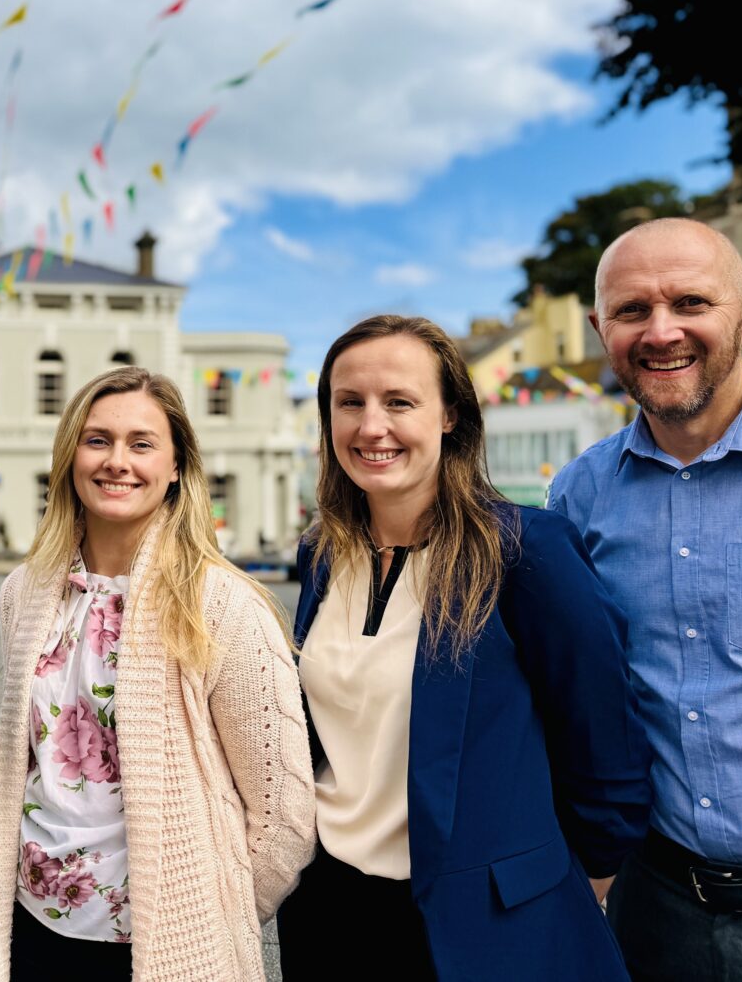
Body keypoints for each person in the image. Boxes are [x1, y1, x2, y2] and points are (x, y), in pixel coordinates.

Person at [277, 315, 651, 980]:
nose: (371, 426)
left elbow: (603, 739)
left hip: (491, 923)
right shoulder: (322, 553)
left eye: (399, 402)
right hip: (331, 906)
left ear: (450, 414)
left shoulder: (526, 551)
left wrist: (588, 878)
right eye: (349, 402)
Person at [548, 218, 742, 981]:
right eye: (632, 311)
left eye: (691, 301)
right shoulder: (580, 493)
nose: (661, 331)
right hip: (651, 913)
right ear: (602, 329)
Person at [0, 366, 315, 982]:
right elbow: (25, 763)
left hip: (165, 949)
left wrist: (215, 915)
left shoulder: (222, 604)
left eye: (142, 444)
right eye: (97, 440)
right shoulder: (24, 592)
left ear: (177, 466)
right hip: (34, 928)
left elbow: (283, 816)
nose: (117, 462)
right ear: (70, 457)